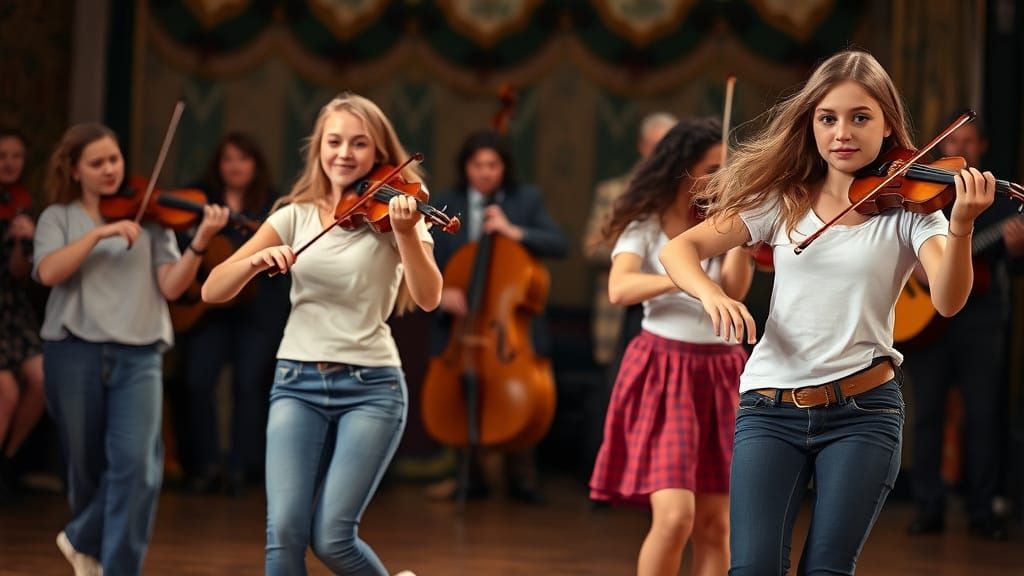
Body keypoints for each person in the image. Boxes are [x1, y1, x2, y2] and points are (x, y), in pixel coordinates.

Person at [659, 50, 996, 575]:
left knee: (826, 571)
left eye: (860, 117)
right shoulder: (781, 199)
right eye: (828, 118)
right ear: (811, 124)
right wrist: (713, 295)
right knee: (752, 568)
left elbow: (949, 300)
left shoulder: (913, 211)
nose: (843, 132)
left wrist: (962, 226)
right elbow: (678, 251)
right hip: (769, 409)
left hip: (863, 414)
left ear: (887, 126)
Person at [201, 93, 439, 576]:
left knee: (331, 535)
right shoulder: (293, 214)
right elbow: (211, 289)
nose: (345, 154)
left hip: (372, 386)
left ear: (379, 154)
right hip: (296, 380)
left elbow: (429, 296)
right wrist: (254, 260)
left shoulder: (399, 214)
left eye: (359, 144)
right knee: (284, 533)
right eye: (335, 141)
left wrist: (409, 235)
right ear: (319, 148)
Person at [33, 123, 229, 575]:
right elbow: (47, 273)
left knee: (139, 467)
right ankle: (91, 554)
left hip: (139, 353)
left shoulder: (153, 218)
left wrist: (198, 242)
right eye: (97, 163)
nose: (109, 170)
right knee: (86, 467)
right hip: (74, 351)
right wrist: (99, 235)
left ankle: (102, 556)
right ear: (74, 169)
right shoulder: (57, 218)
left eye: (114, 160)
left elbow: (173, 286)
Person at [589, 117, 752, 576]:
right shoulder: (645, 223)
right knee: (675, 517)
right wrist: (687, 280)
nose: (723, 176)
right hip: (665, 368)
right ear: (684, 168)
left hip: (722, 371)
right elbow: (619, 289)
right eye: (713, 167)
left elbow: (735, 290)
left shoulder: (722, 223)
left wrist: (743, 231)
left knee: (716, 525)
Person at [428, 129, 568, 504]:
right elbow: (426, 258)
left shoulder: (525, 200)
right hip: (461, 323)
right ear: (466, 168)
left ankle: (522, 477)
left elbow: (559, 243)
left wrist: (513, 230)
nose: (486, 173)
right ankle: (468, 476)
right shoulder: (446, 201)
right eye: (478, 165)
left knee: (518, 398)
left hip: (509, 325)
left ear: (504, 168)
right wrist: (441, 289)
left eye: (493, 165)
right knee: (461, 386)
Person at [903, 114, 1024, 540]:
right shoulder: (925, 193)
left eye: (970, 141)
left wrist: (1015, 249)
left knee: (983, 414)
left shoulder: (1004, 201)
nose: (963, 149)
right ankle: (928, 507)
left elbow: (1016, 265)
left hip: (980, 319)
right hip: (925, 321)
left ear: (983, 146)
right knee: (928, 414)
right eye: (954, 141)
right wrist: (917, 266)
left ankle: (982, 510)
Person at [177, 131, 288, 496]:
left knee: (249, 385)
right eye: (228, 159)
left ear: (255, 164)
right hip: (208, 310)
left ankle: (243, 467)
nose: (236, 166)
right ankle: (205, 465)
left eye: (243, 159)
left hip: (258, 308)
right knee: (197, 380)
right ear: (218, 165)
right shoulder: (197, 199)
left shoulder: (274, 203)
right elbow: (179, 248)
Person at [583, 112, 677, 368]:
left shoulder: (685, 194)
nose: (664, 154)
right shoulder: (613, 192)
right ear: (642, 147)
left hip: (670, 310)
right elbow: (592, 249)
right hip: (621, 312)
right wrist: (633, 247)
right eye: (658, 146)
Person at [0, 127, 45, 504]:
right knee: (6, 391)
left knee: (42, 379)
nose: (9, 163)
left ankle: (9, 459)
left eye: (16, 155)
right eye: (2, 156)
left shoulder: (23, 204)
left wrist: (24, 242)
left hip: (13, 310)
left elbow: (18, 272)